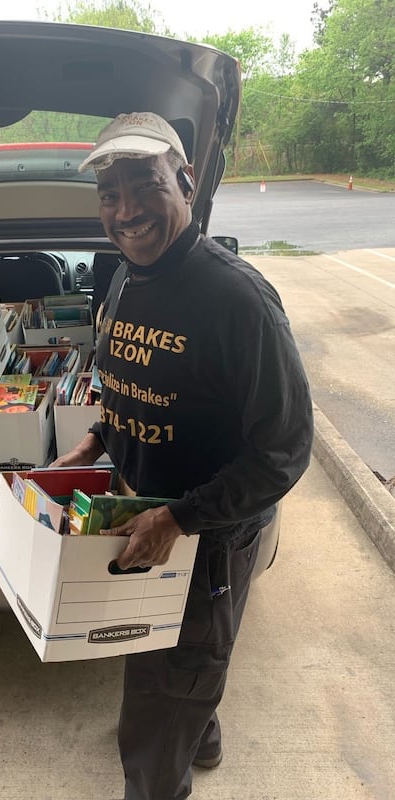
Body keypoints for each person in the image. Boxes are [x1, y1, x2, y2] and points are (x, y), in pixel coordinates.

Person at [52, 111, 314, 800]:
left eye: (146, 184)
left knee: (161, 693)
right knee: (174, 666)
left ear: (187, 183)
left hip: (206, 541)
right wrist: (97, 440)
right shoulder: (127, 276)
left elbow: (285, 450)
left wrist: (178, 518)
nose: (127, 210)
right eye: (111, 194)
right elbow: (129, 382)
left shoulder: (237, 300)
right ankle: (203, 734)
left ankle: (158, 782)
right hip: (148, 521)